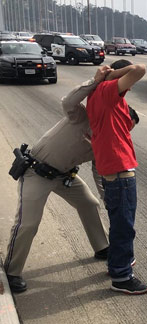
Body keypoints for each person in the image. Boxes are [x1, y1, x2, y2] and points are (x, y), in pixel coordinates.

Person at [4, 67, 113, 293]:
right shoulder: (82, 116)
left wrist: (109, 199)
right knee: (28, 223)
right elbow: (68, 101)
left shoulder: (105, 138)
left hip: (64, 176)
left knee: (90, 203)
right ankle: (12, 271)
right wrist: (94, 81)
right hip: (36, 172)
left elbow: (99, 172)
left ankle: (102, 247)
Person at [86, 59, 147, 295]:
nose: (129, 87)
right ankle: (121, 276)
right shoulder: (106, 92)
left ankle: (118, 262)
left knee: (120, 223)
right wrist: (110, 74)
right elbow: (140, 69)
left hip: (113, 170)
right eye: (126, 84)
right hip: (119, 172)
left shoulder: (101, 96)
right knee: (124, 226)